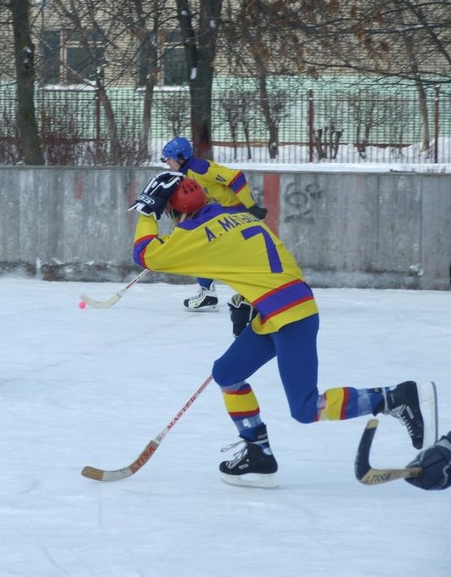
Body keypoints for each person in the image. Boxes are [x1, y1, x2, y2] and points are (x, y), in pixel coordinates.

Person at [128, 172, 438, 488]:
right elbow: (261, 261)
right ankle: (258, 455)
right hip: (276, 309)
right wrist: (245, 298)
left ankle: (394, 398)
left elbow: (146, 256)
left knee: (306, 408)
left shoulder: (195, 233)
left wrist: (147, 211)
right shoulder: (235, 216)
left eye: (168, 213)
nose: (169, 219)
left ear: (174, 209)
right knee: (226, 373)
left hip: (291, 316)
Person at [160, 137, 267, 313]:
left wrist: (251, 206)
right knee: (201, 250)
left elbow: (236, 177)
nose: (167, 163)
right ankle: (209, 293)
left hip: (232, 215)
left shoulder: (200, 168)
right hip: (216, 214)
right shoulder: (184, 175)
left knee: (227, 255)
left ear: (180, 157)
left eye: (169, 159)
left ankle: (254, 294)